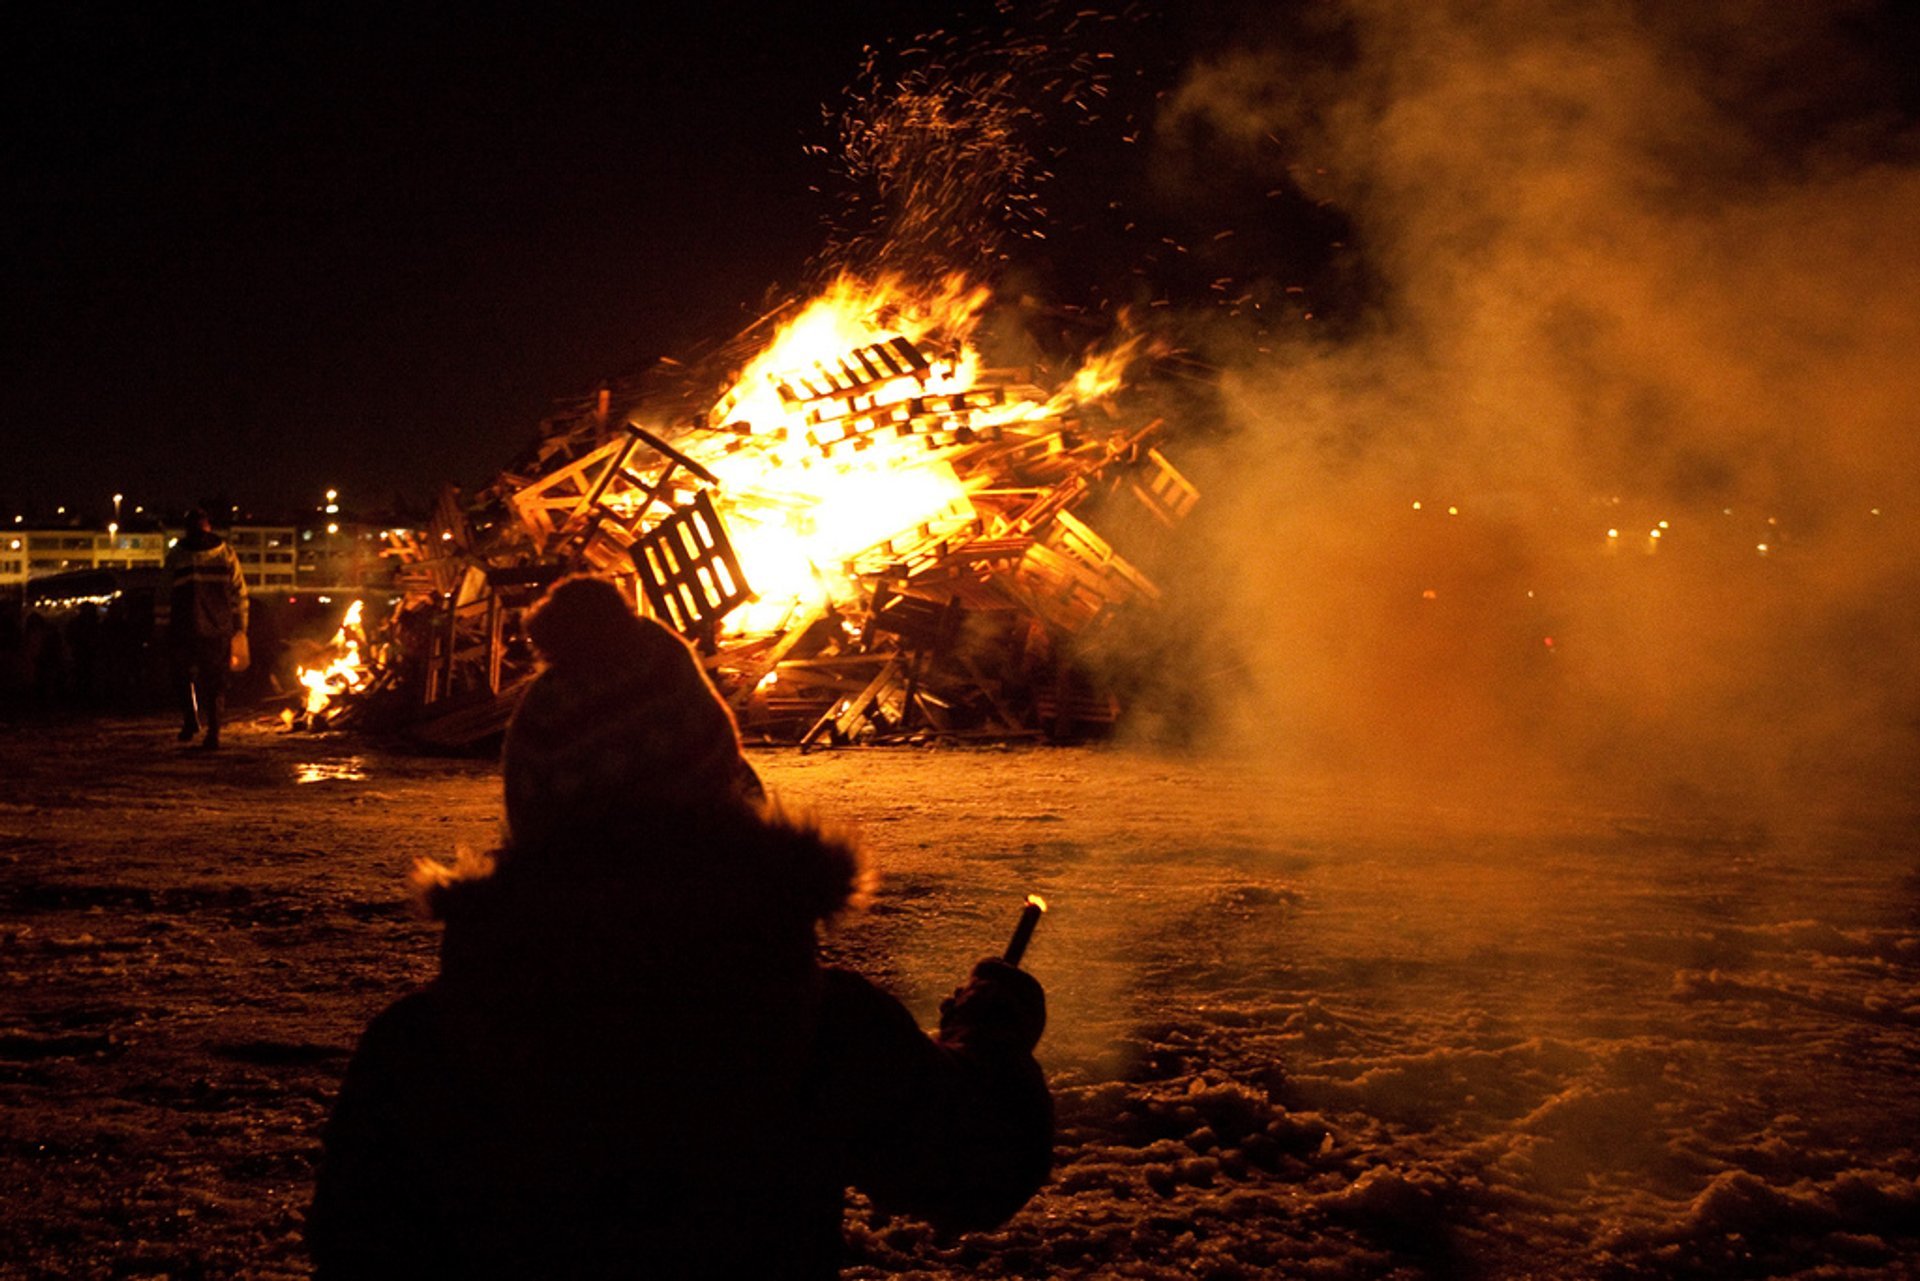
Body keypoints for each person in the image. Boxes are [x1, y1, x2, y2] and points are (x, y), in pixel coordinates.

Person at [308, 576, 1052, 1279]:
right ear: (724, 800)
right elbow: (977, 1167)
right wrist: (990, 1031)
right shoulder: (814, 1025)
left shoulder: (419, 1047)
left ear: (529, 814)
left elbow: (354, 1248)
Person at [164, 507, 248, 749]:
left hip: (185, 629)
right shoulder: (226, 554)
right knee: (216, 683)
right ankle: (214, 733)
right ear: (208, 527)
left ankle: (191, 721)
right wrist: (240, 626)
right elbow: (240, 594)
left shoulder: (177, 555)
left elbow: (163, 594)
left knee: (182, 676)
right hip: (218, 630)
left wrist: (161, 628)